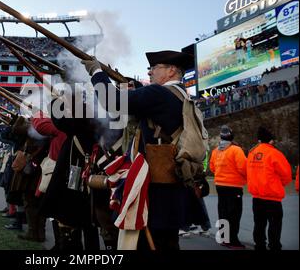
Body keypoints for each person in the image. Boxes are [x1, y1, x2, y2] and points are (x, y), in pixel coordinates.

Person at [82, 50, 195, 250]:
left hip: (154, 189)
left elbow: (112, 102)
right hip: (170, 187)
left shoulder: (159, 93)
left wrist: (96, 72)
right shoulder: (181, 95)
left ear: (170, 71)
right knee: (167, 242)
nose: (150, 72)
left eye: (154, 68)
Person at [247, 126, 292, 250]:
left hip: (256, 197)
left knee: (259, 224)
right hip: (272, 197)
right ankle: (274, 246)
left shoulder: (251, 153)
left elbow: (249, 173)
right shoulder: (274, 153)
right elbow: (287, 175)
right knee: (275, 225)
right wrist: (277, 184)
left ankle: (259, 245)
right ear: (270, 140)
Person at [209, 125, 247, 249]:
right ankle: (233, 241)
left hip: (220, 185)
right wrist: (246, 178)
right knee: (234, 215)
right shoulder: (236, 150)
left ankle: (224, 238)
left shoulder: (216, 151)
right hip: (234, 186)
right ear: (232, 136)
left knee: (223, 212)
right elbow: (243, 168)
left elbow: (212, 167)